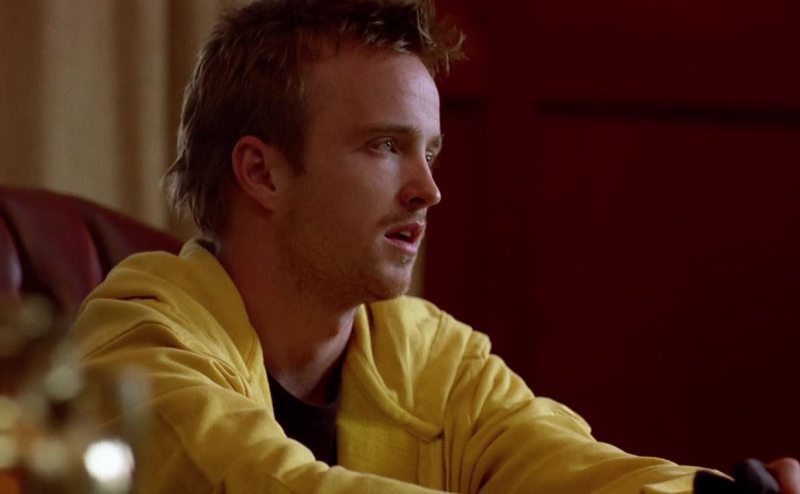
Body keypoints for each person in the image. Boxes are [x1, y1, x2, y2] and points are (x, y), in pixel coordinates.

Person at [69, 0, 799, 492]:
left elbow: (578, 470)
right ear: (261, 172)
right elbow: (269, 483)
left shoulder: (431, 355)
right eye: (386, 146)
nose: (428, 190)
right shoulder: (139, 333)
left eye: (431, 152)